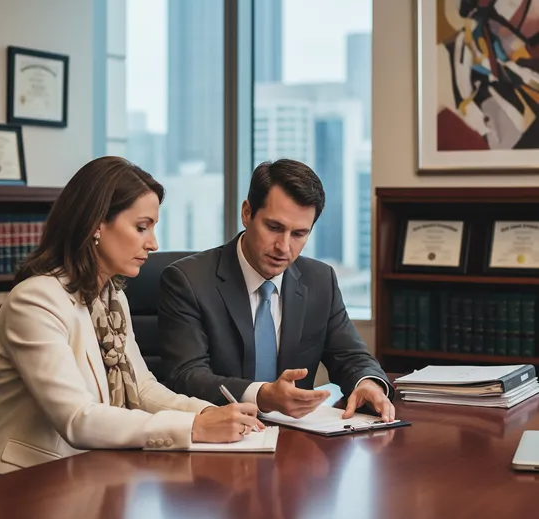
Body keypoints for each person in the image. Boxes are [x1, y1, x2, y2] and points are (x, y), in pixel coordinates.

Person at [0, 157, 261, 475]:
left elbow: (143, 389)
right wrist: (194, 427)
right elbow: (77, 418)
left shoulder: (112, 298)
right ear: (96, 224)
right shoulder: (36, 301)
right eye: (141, 227)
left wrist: (208, 413)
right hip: (21, 480)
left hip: (87, 472)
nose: (153, 244)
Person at [157, 159, 395, 421]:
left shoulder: (320, 280)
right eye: (274, 228)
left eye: (299, 234)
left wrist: (368, 383)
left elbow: (351, 356)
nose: (284, 247)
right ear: (247, 213)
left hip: (297, 442)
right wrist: (261, 395)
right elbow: (185, 376)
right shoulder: (188, 280)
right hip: (218, 437)